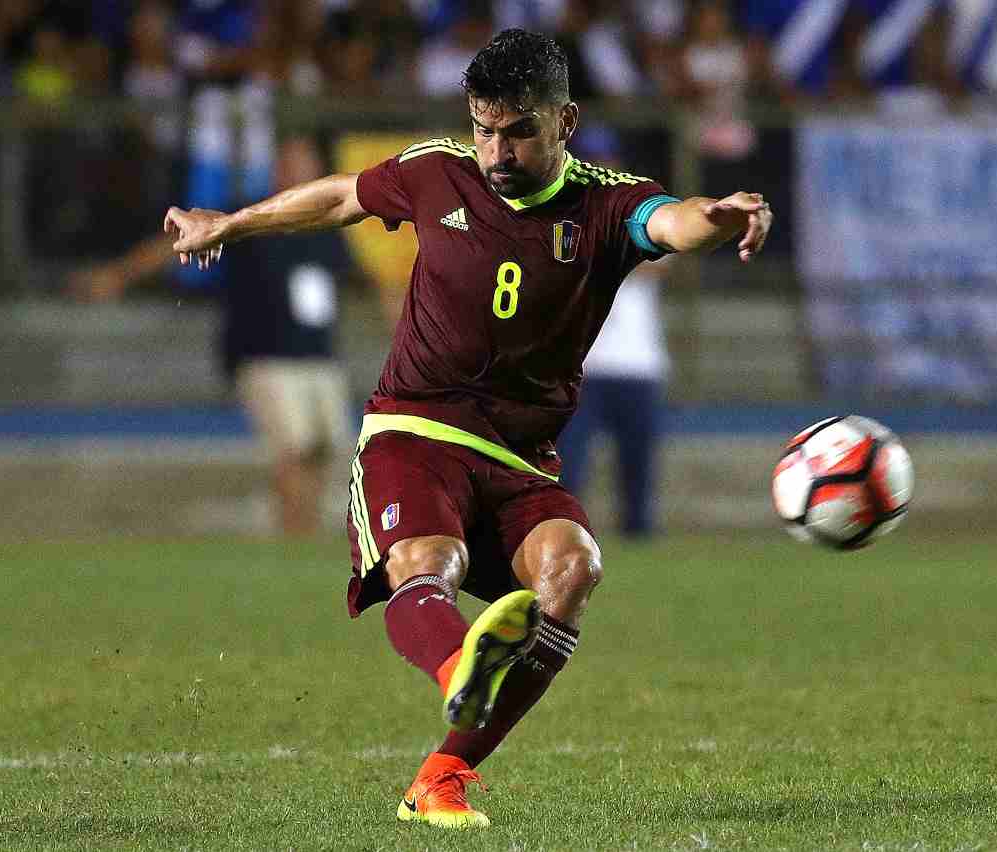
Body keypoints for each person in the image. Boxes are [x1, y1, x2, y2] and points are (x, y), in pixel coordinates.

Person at [163, 27, 773, 830]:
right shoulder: (435, 171)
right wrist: (232, 222)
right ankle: (461, 665)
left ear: (566, 121)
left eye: (519, 130)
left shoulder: (606, 202)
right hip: (412, 430)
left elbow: (674, 223)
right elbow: (343, 195)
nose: (497, 150)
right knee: (431, 562)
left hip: (522, 458)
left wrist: (721, 215)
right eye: (485, 128)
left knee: (572, 568)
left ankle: (441, 776)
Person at [73, 136, 365, 536]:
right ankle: (294, 535)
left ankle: (305, 535)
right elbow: (182, 237)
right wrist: (120, 274)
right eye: (290, 160)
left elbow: (353, 279)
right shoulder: (254, 213)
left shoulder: (328, 226)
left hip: (318, 356)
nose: (297, 169)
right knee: (293, 448)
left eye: (305, 161)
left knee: (326, 450)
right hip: (265, 355)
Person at [556, 125, 671, 538]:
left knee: (637, 476)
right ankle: (564, 548)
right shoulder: (560, 213)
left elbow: (662, 264)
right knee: (569, 471)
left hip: (638, 365)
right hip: (583, 366)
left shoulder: (638, 207)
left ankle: (639, 550)